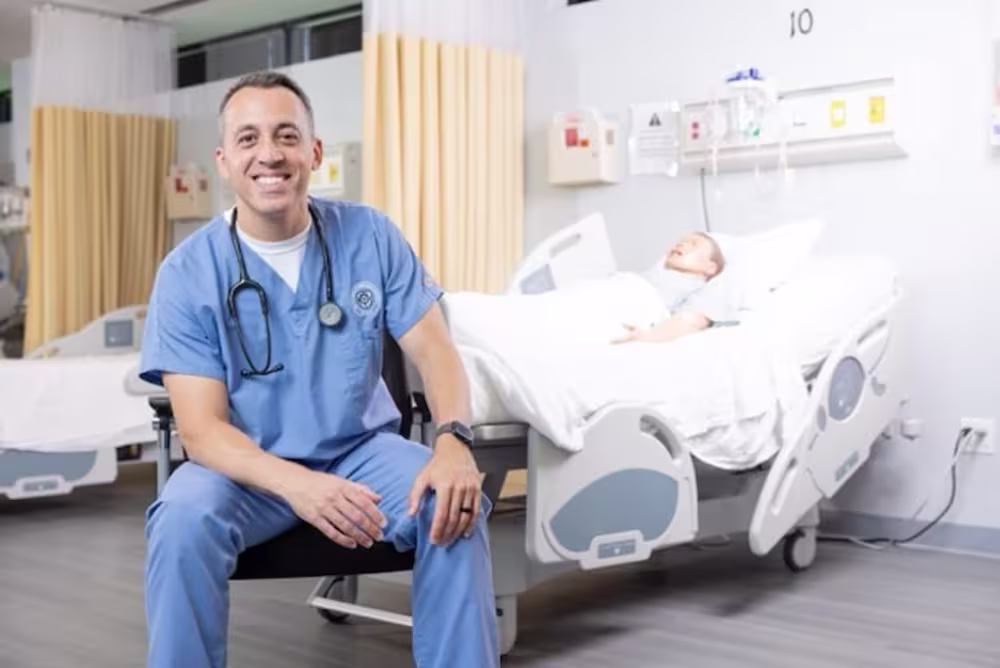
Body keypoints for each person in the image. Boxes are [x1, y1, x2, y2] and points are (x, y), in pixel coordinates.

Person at [139, 71, 498, 668]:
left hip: (360, 455)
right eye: (249, 140)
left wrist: (454, 441)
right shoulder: (187, 272)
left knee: (451, 500)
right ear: (225, 161)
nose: (269, 154)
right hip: (243, 469)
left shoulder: (370, 236)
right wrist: (299, 485)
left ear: (314, 151)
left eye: (286, 135)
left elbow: (437, 353)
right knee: (179, 524)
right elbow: (201, 432)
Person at [612, 231, 737, 344]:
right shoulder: (659, 272)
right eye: (681, 242)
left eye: (693, 244)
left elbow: (692, 320)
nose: (681, 244)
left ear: (710, 267)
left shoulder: (698, 290)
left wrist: (648, 336)